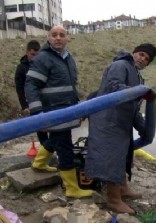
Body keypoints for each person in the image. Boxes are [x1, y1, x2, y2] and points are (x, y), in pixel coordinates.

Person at [85, 43, 156, 214]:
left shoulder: (138, 77)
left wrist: (143, 127)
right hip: (108, 120)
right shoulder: (120, 65)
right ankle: (113, 200)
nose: (142, 59)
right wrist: (140, 92)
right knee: (114, 160)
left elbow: (134, 108)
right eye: (141, 54)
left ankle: (123, 189)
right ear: (133, 53)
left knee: (125, 156)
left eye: (147, 59)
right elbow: (114, 88)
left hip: (121, 122)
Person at [25, 25, 92, 199]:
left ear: (67, 38)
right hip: (53, 112)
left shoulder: (68, 58)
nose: (58, 38)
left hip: (66, 110)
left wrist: (77, 107)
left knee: (56, 139)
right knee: (65, 148)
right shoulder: (43, 58)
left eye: (62, 35)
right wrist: (38, 112)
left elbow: (70, 86)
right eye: (54, 35)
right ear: (48, 38)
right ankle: (72, 188)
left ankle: (39, 164)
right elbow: (31, 84)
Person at [14, 40, 57, 173]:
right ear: (27, 53)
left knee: (55, 131)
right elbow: (20, 88)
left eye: (37, 54)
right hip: (33, 104)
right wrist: (24, 105)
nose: (34, 57)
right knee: (42, 131)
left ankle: (47, 156)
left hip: (48, 102)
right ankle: (44, 160)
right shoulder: (22, 68)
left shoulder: (43, 65)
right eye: (32, 54)